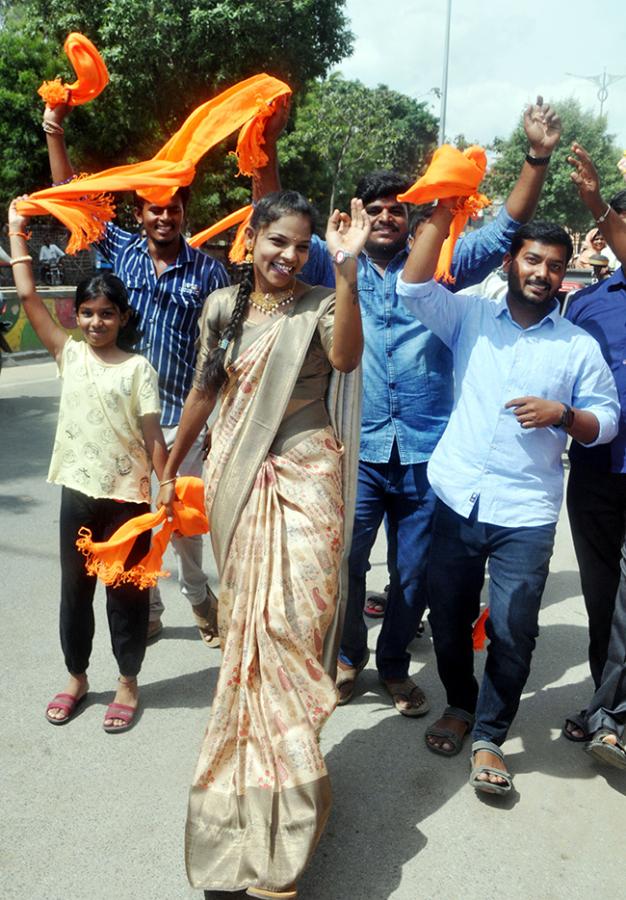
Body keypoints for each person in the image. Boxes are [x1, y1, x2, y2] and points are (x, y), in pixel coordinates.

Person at [298, 97, 563, 716]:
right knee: (345, 564)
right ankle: (346, 657)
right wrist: (264, 152)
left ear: (413, 215)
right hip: (356, 449)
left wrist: (536, 157)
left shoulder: (444, 266)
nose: (388, 219)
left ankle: (394, 667)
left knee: (413, 576)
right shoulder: (335, 264)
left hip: (427, 454)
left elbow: (505, 225)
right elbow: (280, 228)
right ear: (360, 216)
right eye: (377, 210)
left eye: (399, 209)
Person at [156, 190, 368, 898]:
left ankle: (290, 811)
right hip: (235, 482)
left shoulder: (320, 298)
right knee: (248, 645)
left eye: (300, 245)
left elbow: (343, 359)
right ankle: (251, 818)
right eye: (277, 240)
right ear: (251, 238)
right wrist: (170, 460)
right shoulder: (222, 307)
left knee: (287, 633)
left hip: (307, 476)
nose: (287, 255)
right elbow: (206, 388)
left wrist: (344, 272)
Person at [41, 98, 286, 644]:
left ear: (183, 213)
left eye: (173, 208)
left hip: (180, 417)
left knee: (179, 520)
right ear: (140, 214)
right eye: (154, 208)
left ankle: (198, 596)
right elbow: (73, 203)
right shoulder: (121, 252)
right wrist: (56, 132)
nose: (164, 216)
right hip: (124, 419)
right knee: (132, 517)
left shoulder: (208, 270)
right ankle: (145, 603)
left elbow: (224, 343)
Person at [397, 211, 619, 796]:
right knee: (446, 616)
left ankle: (490, 734)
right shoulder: (470, 315)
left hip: (526, 511)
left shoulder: (577, 346)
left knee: (515, 630)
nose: (543, 273)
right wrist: (442, 218)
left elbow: (609, 419)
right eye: (532, 259)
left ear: (564, 273)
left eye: (553, 264)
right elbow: (413, 287)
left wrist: (564, 416)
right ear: (509, 263)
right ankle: (461, 705)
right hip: (458, 496)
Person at [8, 198, 168, 732]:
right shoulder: (68, 354)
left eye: (107, 313)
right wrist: (16, 232)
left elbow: (153, 436)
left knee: (126, 591)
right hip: (77, 491)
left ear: (123, 317)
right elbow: (27, 293)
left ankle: (127, 680)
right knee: (75, 590)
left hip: (128, 498)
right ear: (75, 316)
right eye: (88, 312)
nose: (97, 321)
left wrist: (164, 487)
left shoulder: (139, 368)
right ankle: (77, 675)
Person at [559, 144, 626, 767]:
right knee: (602, 597)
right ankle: (604, 704)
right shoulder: (587, 303)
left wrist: (599, 206)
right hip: (599, 473)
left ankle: (612, 717)